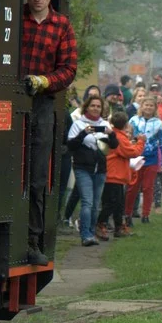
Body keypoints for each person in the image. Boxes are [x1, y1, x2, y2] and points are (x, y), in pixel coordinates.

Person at [20, 0, 78, 264]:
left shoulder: (62, 26)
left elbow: (69, 69)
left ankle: (34, 239)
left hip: (42, 104)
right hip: (12, 98)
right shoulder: (16, 20)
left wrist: (44, 81)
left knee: (38, 176)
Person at [66, 95, 118, 246]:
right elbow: (71, 145)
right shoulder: (78, 124)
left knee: (96, 204)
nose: (95, 108)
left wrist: (111, 134)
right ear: (87, 107)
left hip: (100, 169)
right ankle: (85, 235)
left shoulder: (105, 124)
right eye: (93, 106)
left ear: (102, 109)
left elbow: (114, 145)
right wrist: (84, 133)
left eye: (98, 106)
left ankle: (91, 231)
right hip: (83, 168)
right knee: (87, 202)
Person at [97, 110, 145, 239]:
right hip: (114, 176)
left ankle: (119, 227)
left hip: (115, 176)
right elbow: (132, 153)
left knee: (118, 204)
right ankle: (100, 224)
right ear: (125, 125)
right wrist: (141, 142)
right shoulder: (120, 137)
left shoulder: (116, 135)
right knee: (111, 204)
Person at [127, 96, 162, 225]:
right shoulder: (133, 120)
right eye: (146, 105)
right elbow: (127, 136)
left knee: (147, 187)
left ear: (155, 108)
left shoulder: (158, 123)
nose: (148, 107)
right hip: (135, 158)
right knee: (133, 187)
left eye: (151, 105)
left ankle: (146, 214)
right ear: (141, 106)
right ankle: (127, 214)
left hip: (151, 159)